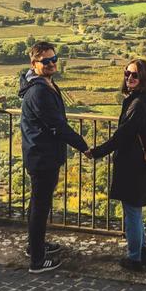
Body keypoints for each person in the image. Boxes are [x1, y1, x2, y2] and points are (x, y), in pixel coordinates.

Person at [19, 41, 88, 274]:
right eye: (45, 61)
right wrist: (84, 146)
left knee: (39, 204)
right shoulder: (39, 91)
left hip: (41, 153)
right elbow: (58, 125)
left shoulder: (42, 83)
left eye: (53, 58)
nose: (51, 64)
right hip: (43, 156)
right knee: (40, 206)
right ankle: (37, 261)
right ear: (34, 63)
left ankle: (34, 246)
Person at [87, 58, 146, 272]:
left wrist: (97, 152)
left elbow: (122, 136)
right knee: (134, 210)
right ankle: (142, 249)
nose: (129, 78)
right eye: (127, 73)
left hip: (132, 165)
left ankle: (134, 258)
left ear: (144, 78)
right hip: (141, 163)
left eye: (135, 75)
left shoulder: (137, 105)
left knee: (132, 212)